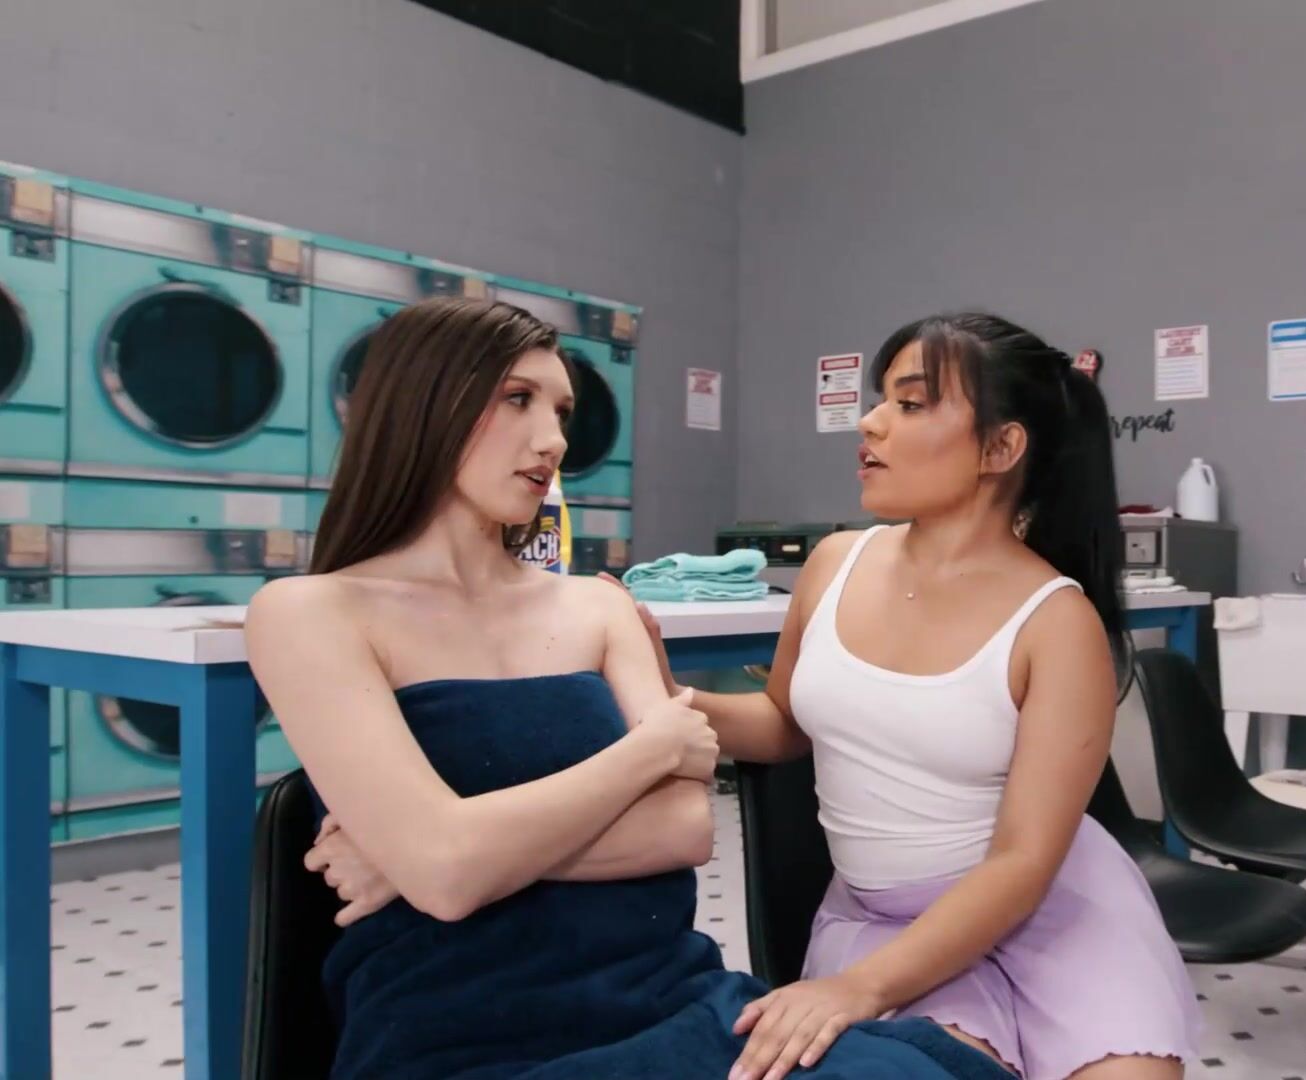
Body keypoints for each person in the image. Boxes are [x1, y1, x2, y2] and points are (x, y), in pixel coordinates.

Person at [245, 297, 1012, 1080]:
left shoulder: (597, 605)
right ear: (423, 402)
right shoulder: (309, 614)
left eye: (561, 411)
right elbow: (445, 873)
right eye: (518, 398)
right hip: (461, 1034)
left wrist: (448, 852)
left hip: (675, 1003)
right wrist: (646, 753)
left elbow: (682, 830)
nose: (553, 440)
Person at [629, 313, 1203, 1080]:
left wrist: (857, 992)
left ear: (1000, 448)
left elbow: (1023, 861)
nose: (869, 422)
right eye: (880, 400)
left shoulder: (1056, 623)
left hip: (1051, 913)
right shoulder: (833, 565)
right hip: (883, 925)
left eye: (909, 403)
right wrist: (662, 695)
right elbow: (782, 724)